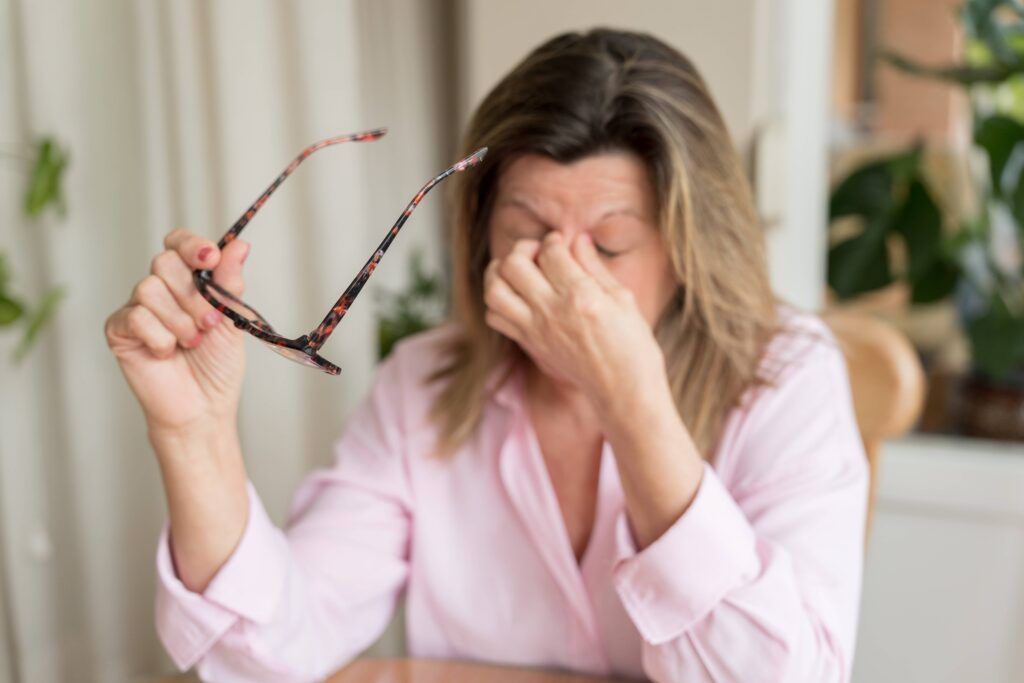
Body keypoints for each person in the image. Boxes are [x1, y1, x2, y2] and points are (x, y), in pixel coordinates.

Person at [104, 28, 867, 683]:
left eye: (609, 244)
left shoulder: (787, 380)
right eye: (527, 230)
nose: (561, 274)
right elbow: (271, 653)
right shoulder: (423, 385)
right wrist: (193, 435)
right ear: (479, 235)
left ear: (687, 252)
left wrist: (632, 405)